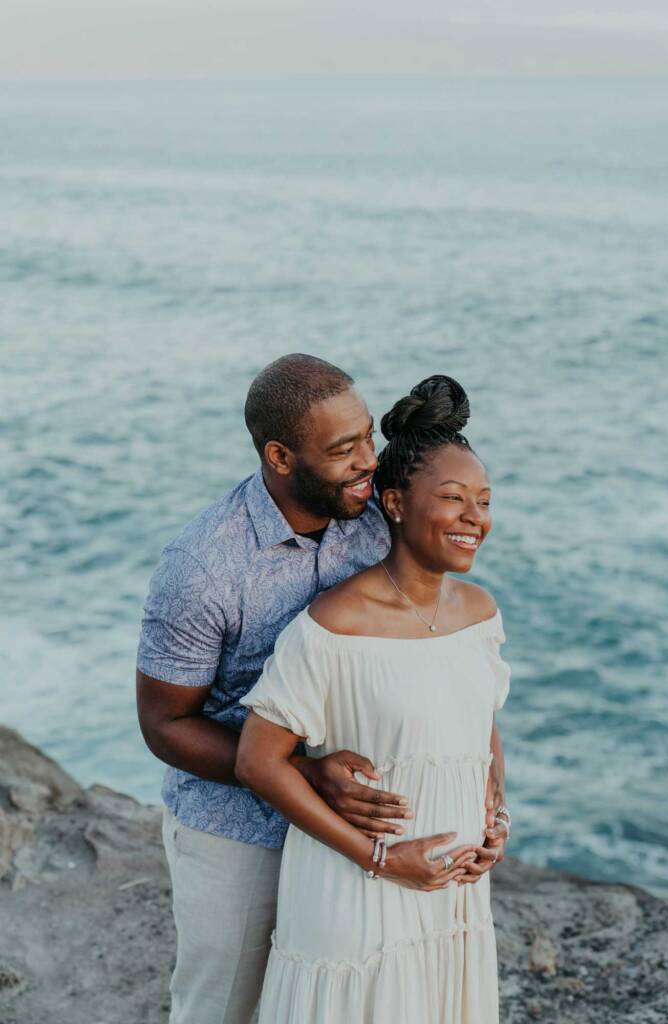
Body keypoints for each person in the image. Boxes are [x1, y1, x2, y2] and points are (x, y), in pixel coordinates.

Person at [137, 354, 500, 1024]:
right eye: (344, 449)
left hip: (353, 831)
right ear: (279, 456)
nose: (369, 459)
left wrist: (486, 803)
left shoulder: (373, 517)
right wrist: (301, 772)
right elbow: (164, 725)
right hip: (236, 830)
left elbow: (442, 642)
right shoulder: (202, 567)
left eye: (367, 436)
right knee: (225, 1008)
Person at [237, 374, 512, 1023]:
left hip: (450, 888)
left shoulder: (480, 612)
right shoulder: (333, 625)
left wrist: (495, 816)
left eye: (483, 500)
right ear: (393, 502)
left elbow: (481, 725)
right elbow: (258, 761)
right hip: (354, 887)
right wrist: (384, 859)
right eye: (452, 498)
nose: (476, 517)